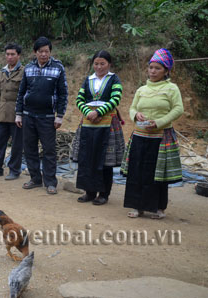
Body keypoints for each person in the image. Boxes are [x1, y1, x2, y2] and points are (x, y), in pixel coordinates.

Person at [121, 48, 183, 219]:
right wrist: (136, 115)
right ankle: (136, 206)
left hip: (160, 137)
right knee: (136, 171)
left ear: (166, 71)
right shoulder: (142, 90)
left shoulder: (171, 89)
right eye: (151, 67)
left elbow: (178, 109)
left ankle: (158, 208)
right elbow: (132, 108)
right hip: (140, 136)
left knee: (157, 173)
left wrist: (159, 122)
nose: (153, 71)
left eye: (157, 68)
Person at [15, 36, 68, 195]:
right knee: (30, 149)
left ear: (50, 52)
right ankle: (35, 179)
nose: (44, 54)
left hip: (48, 117)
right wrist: (18, 114)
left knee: (49, 150)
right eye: (40, 51)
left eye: (46, 51)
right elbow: (21, 92)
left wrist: (59, 116)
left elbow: (63, 93)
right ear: (35, 52)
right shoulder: (29, 68)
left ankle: (51, 182)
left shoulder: (58, 68)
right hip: (28, 115)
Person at [71, 50, 125, 205]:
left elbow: (115, 99)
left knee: (104, 160)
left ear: (109, 64)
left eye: (103, 64)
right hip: (88, 123)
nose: (99, 67)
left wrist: (99, 112)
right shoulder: (88, 80)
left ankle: (103, 194)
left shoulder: (114, 80)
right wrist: (89, 112)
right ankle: (89, 191)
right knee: (87, 157)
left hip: (107, 123)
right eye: (96, 63)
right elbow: (79, 99)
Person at [0, 43, 24, 180]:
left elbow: (24, 94)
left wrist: (21, 113)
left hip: (16, 114)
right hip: (2, 113)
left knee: (16, 145)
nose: (10, 57)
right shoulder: (2, 72)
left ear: (18, 56)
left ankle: (14, 170)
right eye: (7, 54)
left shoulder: (23, 71)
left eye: (13, 54)